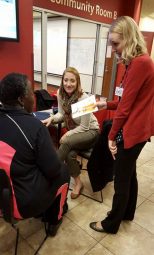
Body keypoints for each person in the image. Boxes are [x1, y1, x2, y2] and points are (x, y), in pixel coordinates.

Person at [89, 16, 154, 234]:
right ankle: (128, 212)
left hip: (134, 131)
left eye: (116, 43)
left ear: (129, 38)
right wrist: (105, 103)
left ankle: (111, 223)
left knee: (121, 179)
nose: (114, 49)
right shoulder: (137, 63)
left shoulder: (140, 63)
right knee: (130, 173)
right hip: (138, 129)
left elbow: (125, 109)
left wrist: (110, 137)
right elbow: (126, 101)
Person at [0, 73, 70, 236]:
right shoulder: (35, 127)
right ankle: (54, 219)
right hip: (23, 205)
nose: (34, 96)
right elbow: (53, 170)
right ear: (21, 99)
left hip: (2, 199)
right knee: (63, 171)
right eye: (32, 92)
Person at [42, 67, 100, 199]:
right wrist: (52, 118)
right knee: (69, 154)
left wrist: (68, 134)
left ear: (77, 82)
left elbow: (85, 127)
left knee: (66, 141)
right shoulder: (61, 94)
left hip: (91, 132)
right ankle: (78, 184)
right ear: (62, 81)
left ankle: (49, 175)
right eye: (66, 80)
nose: (68, 84)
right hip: (77, 133)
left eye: (72, 81)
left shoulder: (84, 99)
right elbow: (62, 114)